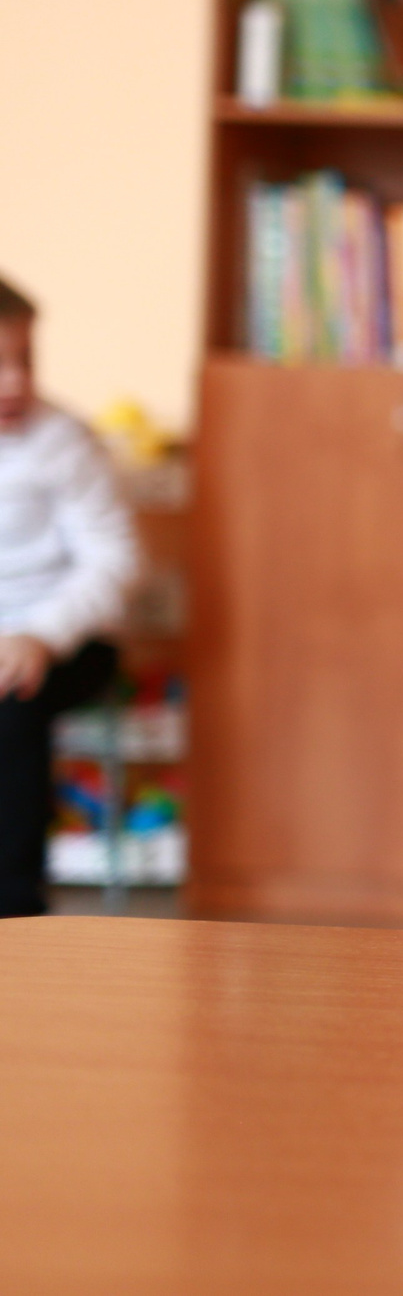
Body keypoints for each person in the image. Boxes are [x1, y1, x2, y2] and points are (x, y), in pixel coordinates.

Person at [0, 277, 137, 917]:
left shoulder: (62, 442)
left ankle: (15, 911)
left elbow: (114, 560)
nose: (14, 381)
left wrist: (41, 635)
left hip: (63, 638)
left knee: (11, 702)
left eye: (25, 360)